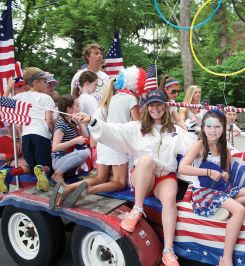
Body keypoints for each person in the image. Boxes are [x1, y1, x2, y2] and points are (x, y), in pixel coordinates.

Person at [73, 89, 193, 266]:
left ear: (165, 106)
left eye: (159, 104)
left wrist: (218, 144)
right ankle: (137, 209)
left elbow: (195, 146)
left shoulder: (176, 131)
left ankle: (168, 251)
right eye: (151, 105)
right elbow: (113, 130)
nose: (155, 108)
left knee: (169, 200)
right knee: (146, 160)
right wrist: (91, 120)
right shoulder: (137, 128)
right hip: (143, 177)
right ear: (146, 107)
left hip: (164, 178)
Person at [51, 66, 146, 208]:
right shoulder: (131, 99)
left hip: (104, 142)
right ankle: (88, 191)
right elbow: (138, 125)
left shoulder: (112, 98)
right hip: (117, 143)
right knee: (119, 183)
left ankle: (68, 188)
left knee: (100, 177)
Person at [178, 110, 245, 266]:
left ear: (224, 127)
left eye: (217, 126)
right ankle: (226, 258)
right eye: (209, 126)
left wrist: (225, 174)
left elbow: (225, 172)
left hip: (221, 188)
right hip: (203, 192)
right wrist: (208, 172)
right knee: (239, 210)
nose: (213, 130)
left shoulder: (224, 149)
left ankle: (222, 209)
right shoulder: (199, 145)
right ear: (203, 128)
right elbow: (183, 168)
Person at [0, 68, 56, 193]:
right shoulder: (46, 98)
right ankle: (43, 180)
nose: (47, 83)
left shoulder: (19, 97)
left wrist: (9, 88)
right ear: (36, 82)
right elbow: (49, 120)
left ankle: (8, 172)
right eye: (44, 81)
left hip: (26, 136)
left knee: (31, 166)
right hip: (41, 135)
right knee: (47, 166)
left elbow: (3, 104)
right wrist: (53, 133)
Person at [50, 96, 90, 191]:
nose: (79, 108)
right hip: (59, 160)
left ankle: (64, 179)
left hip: (67, 158)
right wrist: (74, 141)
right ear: (69, 109)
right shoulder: (61, 124)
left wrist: (80, 122)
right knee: (84, 153)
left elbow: (86, 136)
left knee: (86, 151)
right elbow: (54, 148)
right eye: (77, 106)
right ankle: (57, 175)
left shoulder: (72, 122)